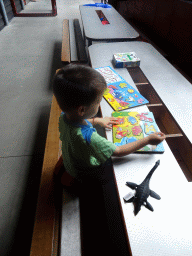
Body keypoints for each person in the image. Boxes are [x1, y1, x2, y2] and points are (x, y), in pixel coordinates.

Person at [53, 64, 166, 185]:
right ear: (82, 110)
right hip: (85, 173)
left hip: (71, 160)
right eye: (98, 102)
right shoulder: (88, 138)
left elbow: (77, 125)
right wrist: (148, 139)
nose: (99, 104)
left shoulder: (64, 116)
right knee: (112, 172)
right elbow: (118, 151)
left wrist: (97, 120)